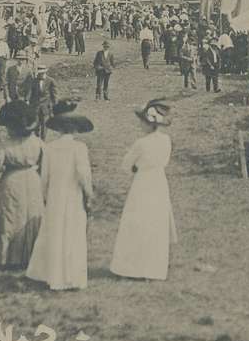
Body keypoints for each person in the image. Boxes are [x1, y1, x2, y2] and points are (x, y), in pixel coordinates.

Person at [26, 100, 94, 291]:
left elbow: (44, 176)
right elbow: (83, 175)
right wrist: (89, 195)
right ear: (74, 128)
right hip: (73, 194)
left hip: (56, 194)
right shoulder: (79, 148)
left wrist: (44, 196)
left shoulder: (49, 148)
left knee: (54, 230)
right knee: (72, 231)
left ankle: (51, 273)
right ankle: (70, 275)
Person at [110, 100, 176, 281]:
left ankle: (132, 267)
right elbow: (165, 162)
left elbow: (126, 165)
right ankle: (153, 268)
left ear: (149, 124)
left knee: (137, 221)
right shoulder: (166, 140)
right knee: (155, 222)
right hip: (159, 182)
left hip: (143, 183)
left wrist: (136, 168)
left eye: (142, 122)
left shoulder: (141, 143)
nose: (140, 125)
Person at [0, 101, 44, 269]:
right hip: (33, 180)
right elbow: (45, 164)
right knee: (31, 215)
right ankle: (31, 254)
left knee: (9, 218)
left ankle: (8, 257)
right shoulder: (37, 142)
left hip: (12, 181)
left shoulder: (4, 145)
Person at [23, 65, 57, 141]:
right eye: (39, 73)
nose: (40, 75)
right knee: (36, 125)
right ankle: (37, 138)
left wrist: (55, 106)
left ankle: (43, 141)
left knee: (45, 125)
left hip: (46, 107)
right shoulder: (34, 81)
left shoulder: (51, 81)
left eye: (42, 73)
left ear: (45, 72)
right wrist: (26, 100)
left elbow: (54, 95)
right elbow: (29, 91)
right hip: (35, 106)